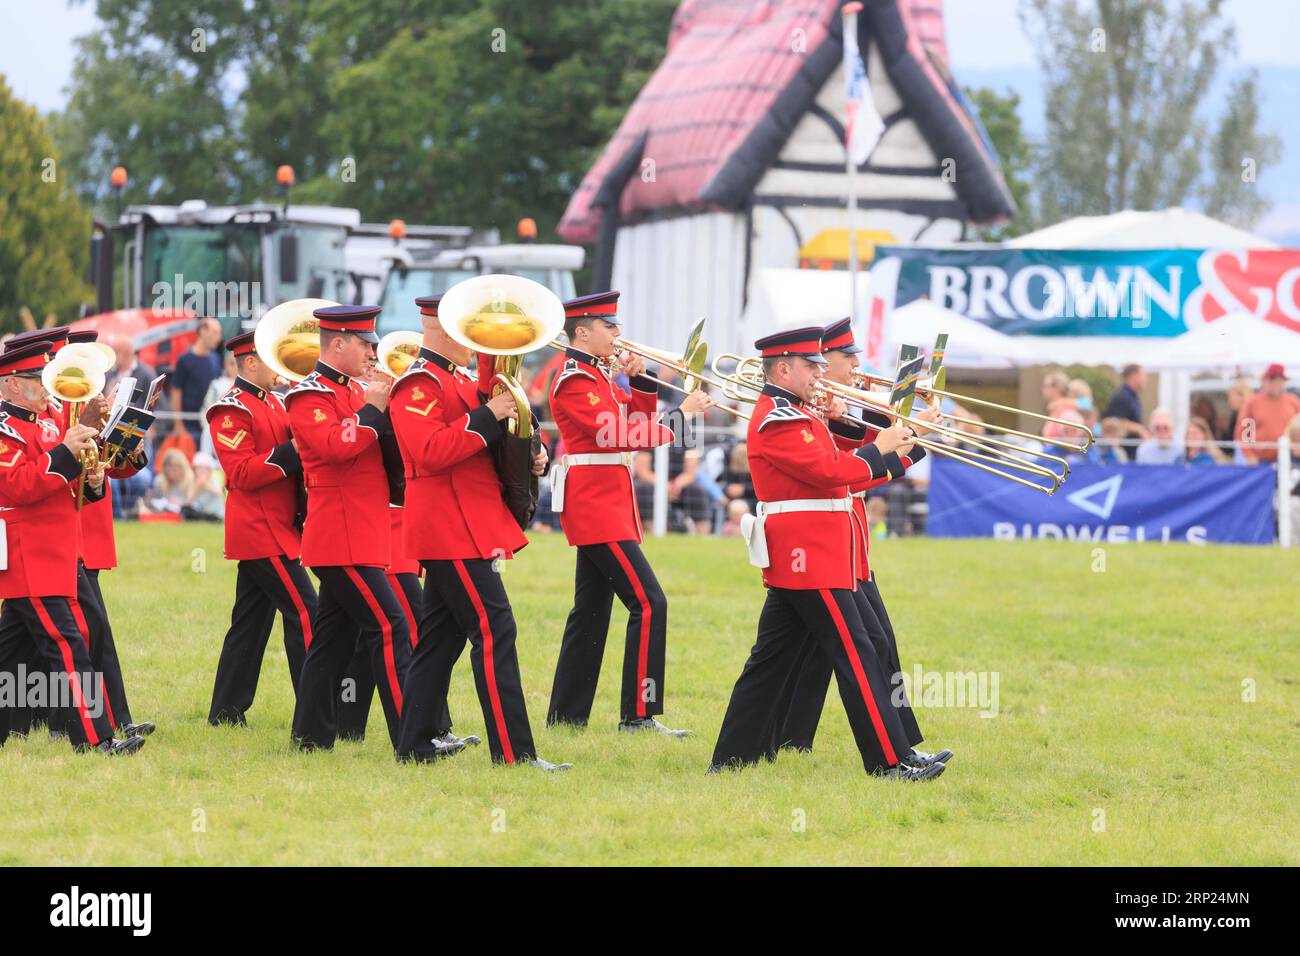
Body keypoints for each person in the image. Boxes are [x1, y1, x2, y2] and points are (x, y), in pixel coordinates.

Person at [708, 326, 942, 781]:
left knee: (771, 660)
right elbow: (830, 471)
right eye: (812, 366)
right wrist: (883, 446)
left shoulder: (799, 412)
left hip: (818, 551)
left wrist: (906, 449)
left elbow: (848, 476)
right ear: (782, 368)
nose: (821, 373)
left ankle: (733, 758)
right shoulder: (780, 417)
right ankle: (888, 763)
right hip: (807, 552)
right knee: (858, 654)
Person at [389, 294, 568, 769]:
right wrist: (491, 414)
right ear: (439, 329)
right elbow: (430, 451)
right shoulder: (417, 386)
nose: (475, 340)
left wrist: (530, 452)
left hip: (470, 522)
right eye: (466, 329)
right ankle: (513, 754)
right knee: (495, 629)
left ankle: (415, 743)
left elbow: (491, 441)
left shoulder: (462, 380)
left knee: (438, 641)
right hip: (449, 527)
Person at [770, 317, 952, 768]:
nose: (857, 364)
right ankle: (892, 753)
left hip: (841, 540)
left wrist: (908, 430)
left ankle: (800, 740)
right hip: (819, 541)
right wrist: (900, 435)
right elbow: (850, 463)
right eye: (844, 357)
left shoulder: (826, 408)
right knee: (858, 643)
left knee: (843, 643)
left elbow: (869, 449)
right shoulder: (802, 413)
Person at [545, 291, 706, 735]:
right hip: (596, 505)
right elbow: (615, 434)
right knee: (649, 602)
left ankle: (566, 716)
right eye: (610, 327)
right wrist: (682, 417)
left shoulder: (599, 376)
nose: (618, 334)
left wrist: (645, 382)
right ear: (583, 331)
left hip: (610, 502)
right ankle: (639, 714)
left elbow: (633, 418)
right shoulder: (575, 379)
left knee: (591, 612)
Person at [0, 340, 144, 755]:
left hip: (54, 551)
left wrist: (93, 480)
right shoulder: (7, 429)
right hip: (29, 553)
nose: (45, 385)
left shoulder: (45, 424)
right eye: (34, 379)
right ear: (10, 384)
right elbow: (19, 486)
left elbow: (69, 486)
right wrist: (65, 452)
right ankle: (97, 739)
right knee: (68, 645)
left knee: (12, 651)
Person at [287, 305, 410, 752]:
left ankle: (310, 737)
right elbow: (338, 446)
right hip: (340, 538)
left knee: (331, 643)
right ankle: (412, 738)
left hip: (361, 533)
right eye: (365, 343)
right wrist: (375, 408)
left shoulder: (359, 391)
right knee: (391, 626)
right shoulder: (307, 396)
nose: (374, 351)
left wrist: (393, 405)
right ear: (337, 344)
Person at [205, 329, 317, 728]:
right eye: (273, 358)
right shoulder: (230, 409)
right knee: (307, 613)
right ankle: (315, 710)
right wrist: (295, 449)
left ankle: (225, 711)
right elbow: (242, 472)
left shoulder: (276, 400)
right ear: (250, 362)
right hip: (259, 530)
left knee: (249, 625)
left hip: (278, 527)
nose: (282, 367)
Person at [169, 317, 223, 444]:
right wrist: (178, 424)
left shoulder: (215, 359)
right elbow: (176, 392)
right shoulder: (185, 360)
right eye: (215, 333)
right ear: (203, 331)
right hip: (189, 426)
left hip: (210, 424)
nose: (219, 338)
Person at [1235, 364, 1300, 464]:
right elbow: (1244, 433)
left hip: (1290, 458)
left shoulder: (1293, 401)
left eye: (1279, 380)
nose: (1275, 384)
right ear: (1264, 380)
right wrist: (1250, 456)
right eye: (1272, 379)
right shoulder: (1252, 403)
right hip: (1262, 460)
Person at [1102, 364, 1148, 460]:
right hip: (1123, 451)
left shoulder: (1132, 396)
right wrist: (1139, 429)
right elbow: (1115, 421)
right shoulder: (1122, 396)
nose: (1145, 379)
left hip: (1133, 451)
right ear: (1133, 376)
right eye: (1143, 375)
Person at [138, 447, 194, 515]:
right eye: (171, 470)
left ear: (183, 468)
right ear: (165, 469)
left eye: (176, 469)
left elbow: (197, 503)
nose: (173, 473)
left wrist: (182, 503)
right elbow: (156, 502)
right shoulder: (159, 481)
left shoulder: (191, 480)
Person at [185, 451, 226, 520]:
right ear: (194, 470)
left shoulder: (214, 479)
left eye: (205, 469)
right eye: (199, 468)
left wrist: (206, 484)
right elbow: (189, 500)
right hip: (202, 512)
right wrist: (197, 486)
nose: (202, 471)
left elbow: (218, 492)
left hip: (216, 513)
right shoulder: (193, 481)